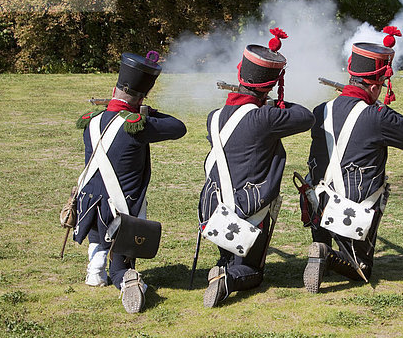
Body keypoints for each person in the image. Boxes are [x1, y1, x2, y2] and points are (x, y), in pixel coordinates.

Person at [198, 28, 315, 307]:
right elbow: (305, 116)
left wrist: (267, 102)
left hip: (213, 207)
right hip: (249, 208)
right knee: (254, 271)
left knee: (235, 253)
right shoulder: (265, 117)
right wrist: (274, 103)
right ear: (271, 84)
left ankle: (225, 262)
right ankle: (226, 279)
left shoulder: (214, 117)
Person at [302, 28, 403, 293]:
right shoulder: (377, 115)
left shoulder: (322, 110)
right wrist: (380, 107)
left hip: (319, 207)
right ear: (376, 84)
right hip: (354, 209)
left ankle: (321, 245)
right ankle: (325, 253)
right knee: (361, 269)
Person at [73, 52, 187, 313]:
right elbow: (178, 127)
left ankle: (94, 269)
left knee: (97, 212)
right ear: (142, 97)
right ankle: (128, 281)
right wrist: (146, 112)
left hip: (89, 204)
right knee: (122, 266)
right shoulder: (137, 125)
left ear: (114, 89)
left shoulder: (91, 121)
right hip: (119, 208)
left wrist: (137, 109)